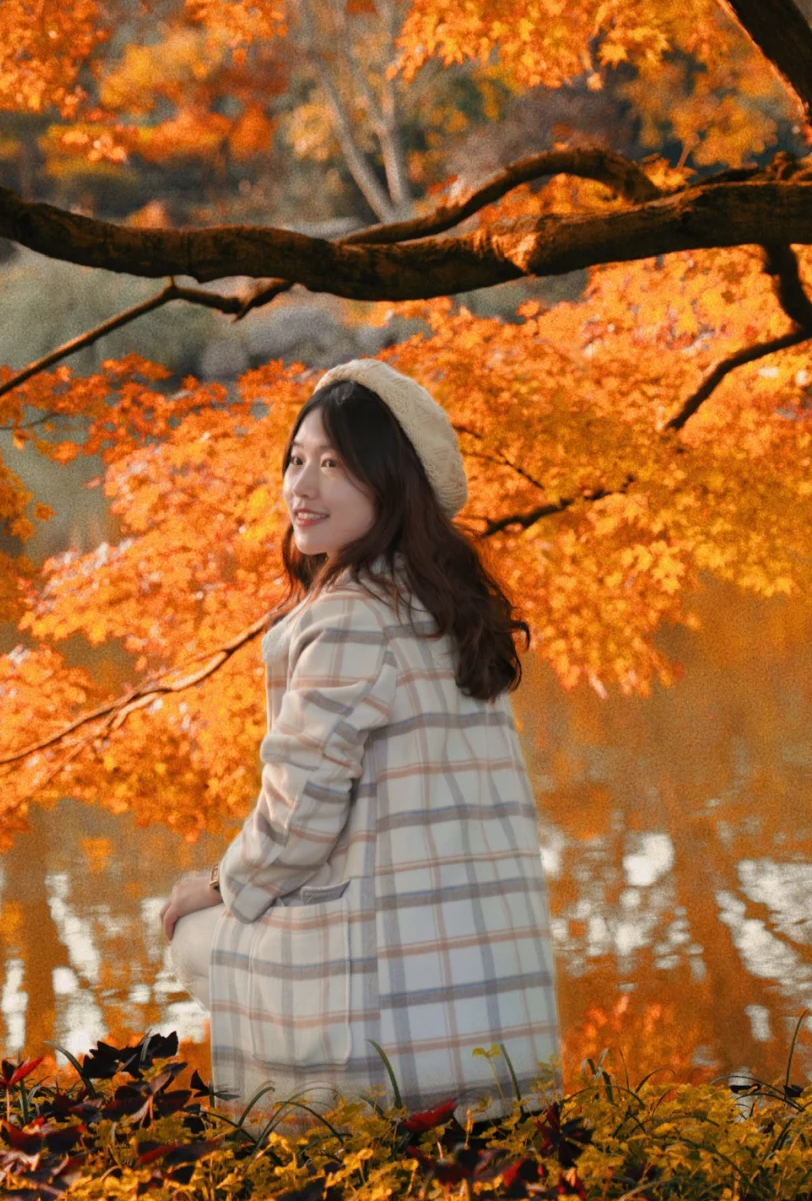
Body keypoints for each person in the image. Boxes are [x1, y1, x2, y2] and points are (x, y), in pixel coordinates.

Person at [160, 358, 560, 1117]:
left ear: (390, 480)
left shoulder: (347, 615)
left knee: (192, 928)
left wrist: (212, 886)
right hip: (498, 1025)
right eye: (296, 460)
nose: (301, 488)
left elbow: (295, 823)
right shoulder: (448, 607)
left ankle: (322, 1105)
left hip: (394, 1031)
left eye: (334, 465)